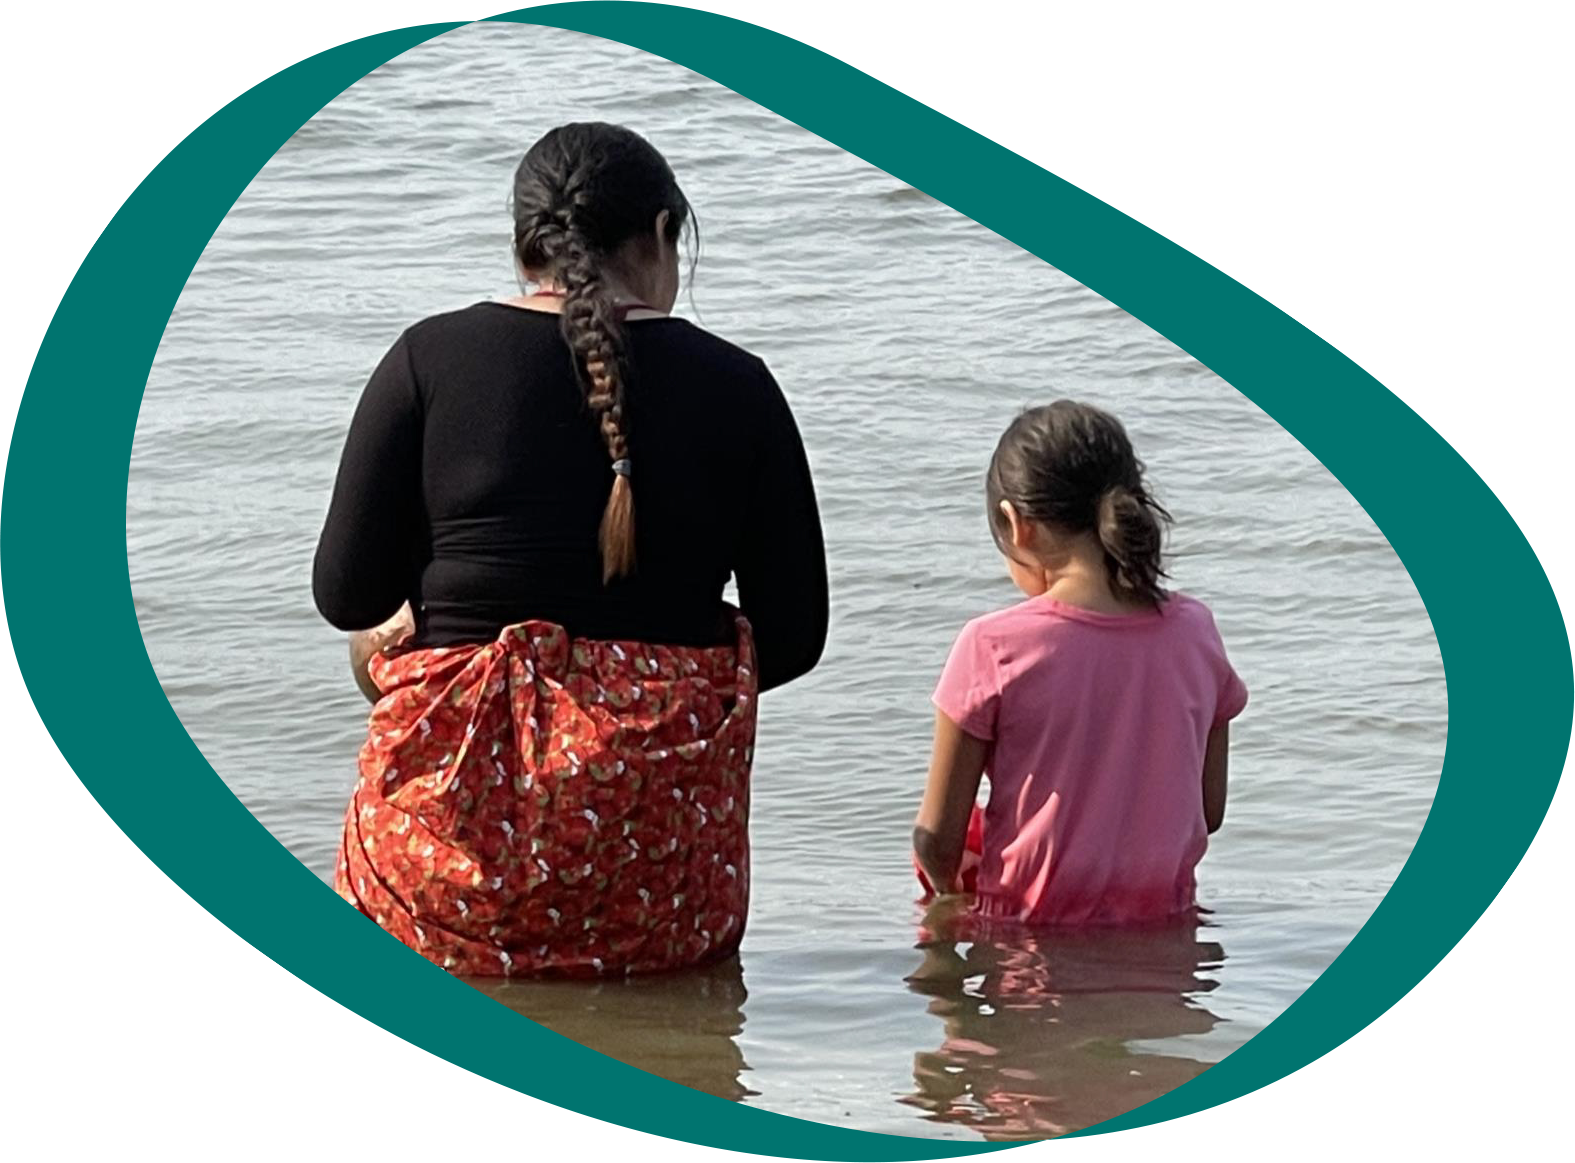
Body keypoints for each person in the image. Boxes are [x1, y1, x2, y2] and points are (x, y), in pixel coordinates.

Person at [312, 123, 829, 978]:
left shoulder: (425, 358)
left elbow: (345, 594)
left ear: (525, 243)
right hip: (660, 895)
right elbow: (795, 635)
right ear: (660, 234)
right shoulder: (739, 384)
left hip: (437, 887)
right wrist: (639, 677)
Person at [912, 401, 1247, 927]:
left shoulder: (992, 646)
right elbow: (1209, 811)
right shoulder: (1195, 632)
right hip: (1165, 935)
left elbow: (937, 839)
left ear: (1016, 525)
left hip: (1027, 942)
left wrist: (949, 893)